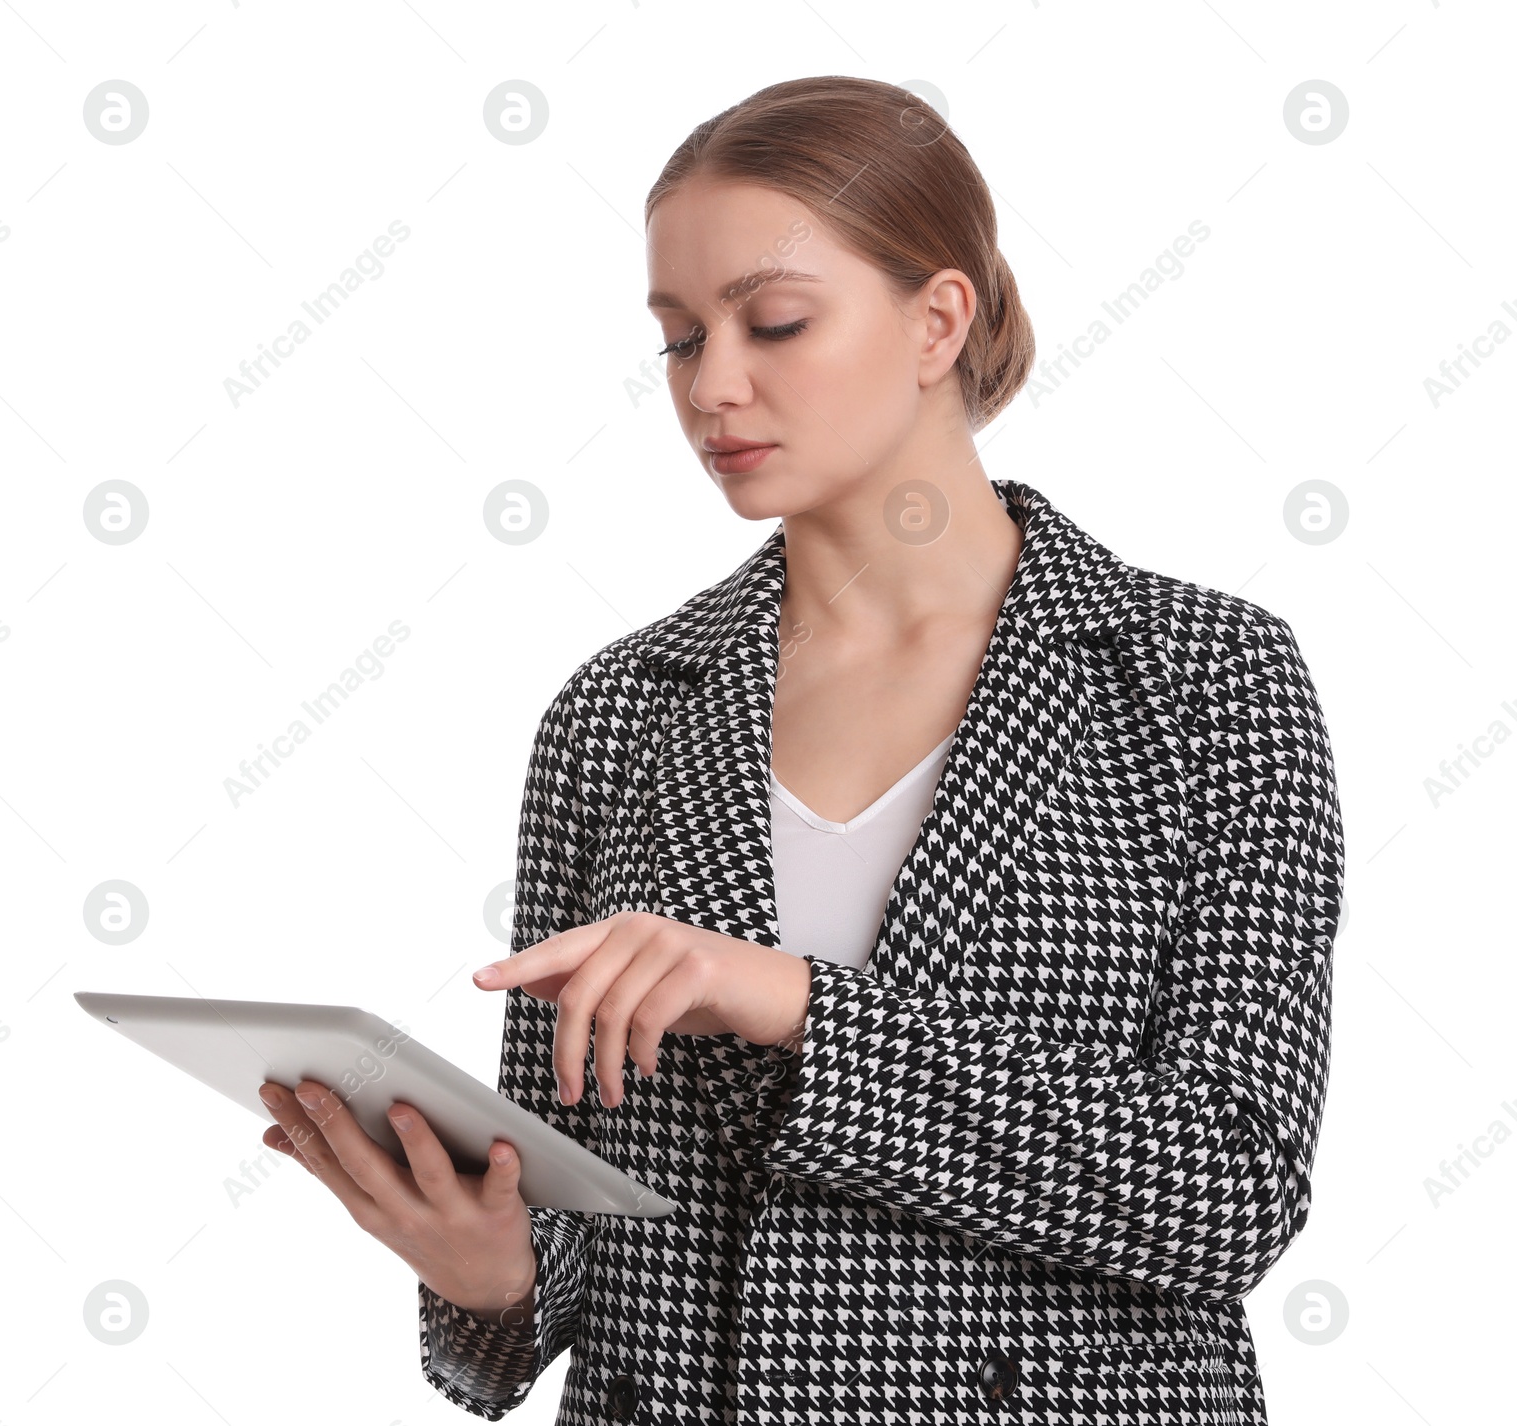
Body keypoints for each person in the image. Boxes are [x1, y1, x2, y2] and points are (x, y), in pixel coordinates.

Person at [257, 75, 1344, 1424]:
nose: (714, 386)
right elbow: (573, 1219)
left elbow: (1226, 1190)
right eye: (677, 338)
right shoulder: (619, 711)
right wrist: (488, 1274)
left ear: (939, 319)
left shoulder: (1203, 682)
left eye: (775, 322)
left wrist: (794, 1004)